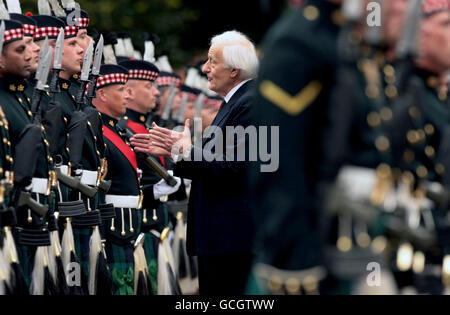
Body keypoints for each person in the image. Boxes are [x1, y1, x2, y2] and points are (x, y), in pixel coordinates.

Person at [131, 30, 259, 295]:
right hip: (224, 236)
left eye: (213, 61)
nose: (205, 68)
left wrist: (186, 151)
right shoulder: (237, 102)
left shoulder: (248, 104)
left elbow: (234, 168)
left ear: (234, 70)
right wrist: (178, 150)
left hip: (232, 238)